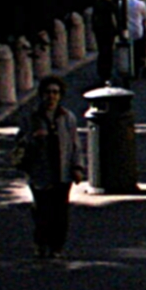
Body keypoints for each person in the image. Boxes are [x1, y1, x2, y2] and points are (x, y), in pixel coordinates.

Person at [15, 75, 86, 258]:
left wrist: (78, 167)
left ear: (60, 95)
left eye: (55, 93)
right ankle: (41, 243)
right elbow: (20, 143)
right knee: (41, 211)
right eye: (48, 92)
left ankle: (57, 246)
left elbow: (74, 144)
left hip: (62, 172)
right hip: (40, 172)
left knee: (60, 212)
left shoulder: (67, 117)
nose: (51, 96)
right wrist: (33, 138)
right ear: (41, 95)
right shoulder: (31, 118)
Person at [93, 0, 120, 85]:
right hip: (108, 31)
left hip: (99, 32)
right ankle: (107, 74)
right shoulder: (110, 5)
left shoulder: (97, 4)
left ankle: (101, 72)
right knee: (108, 53)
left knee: (102, 52)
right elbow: (115, 17)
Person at [124, 0, 146, 78]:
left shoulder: (122, 3)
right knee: (138, 49)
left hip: (127, 29)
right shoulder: (140, 3)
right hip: (138, 28)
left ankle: (129, 67)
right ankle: (138, 67)